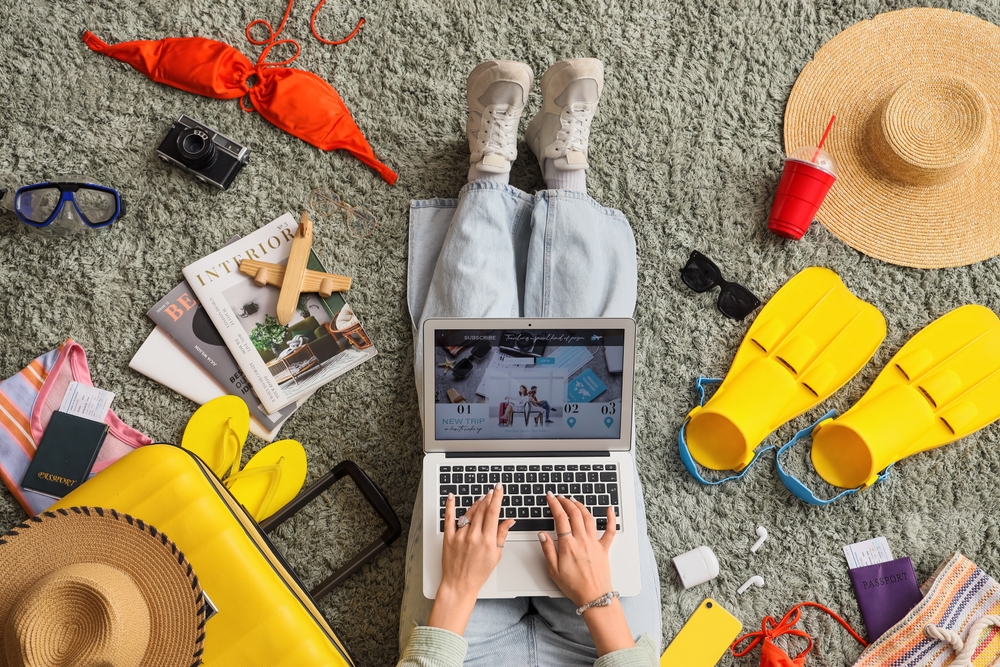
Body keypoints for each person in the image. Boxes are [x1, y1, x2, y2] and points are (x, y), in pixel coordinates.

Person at [401, 58, 660, 666]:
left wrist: (459, 588)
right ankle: (565, 177)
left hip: (463, 650)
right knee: (590, 429)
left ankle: (488, 175)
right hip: (596, 643)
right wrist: (598, 595)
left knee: (463, 426)